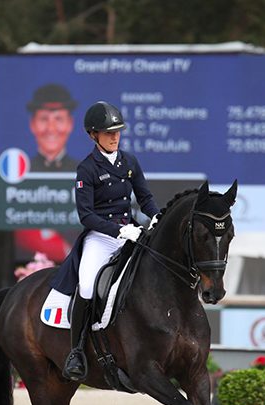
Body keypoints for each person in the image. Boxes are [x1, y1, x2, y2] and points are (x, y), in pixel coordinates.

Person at [49, 101, 160, 382]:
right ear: (93, 135)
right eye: (108, 132)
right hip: (101, 237)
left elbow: (144, 197)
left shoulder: (129, 161)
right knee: (87, 285)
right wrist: (118, 231)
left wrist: (157, 216)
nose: (114, 137)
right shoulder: (87, 168)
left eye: (117, 132)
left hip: (131, 233)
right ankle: (76, 352)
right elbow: (86, 216)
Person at [27, 84, 79, 172]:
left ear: (70, 123)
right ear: (32, 124)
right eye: (44, 119)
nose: (51, 129)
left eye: (59, 119)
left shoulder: (84, 172)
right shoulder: (20, 172)